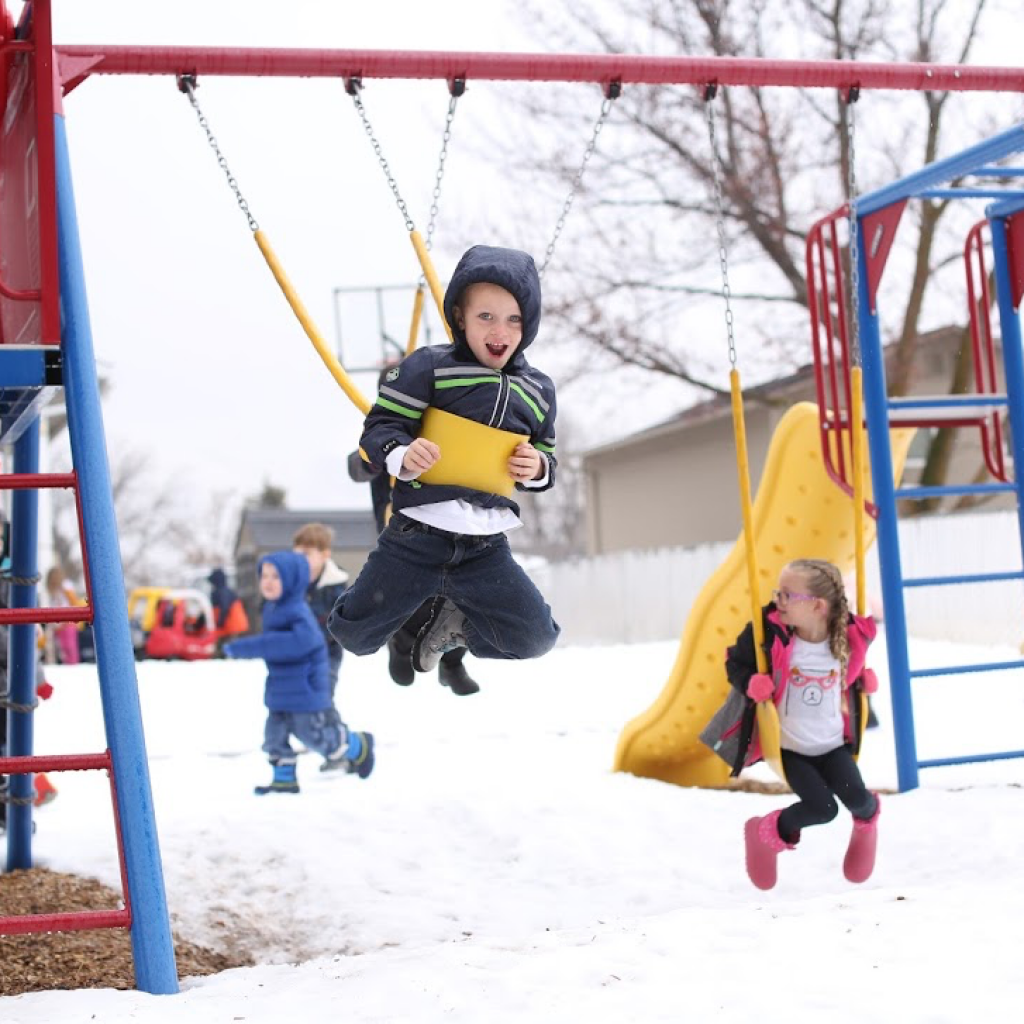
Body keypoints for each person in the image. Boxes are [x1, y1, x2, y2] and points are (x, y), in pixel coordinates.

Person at [328, 245, 561, 674]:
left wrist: (538, 467)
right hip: (416, 536)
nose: (500, 330)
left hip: (484, 546)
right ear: (460, 317)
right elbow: (381, 426)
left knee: (536, 637)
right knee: (353, 635)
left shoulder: (538, 390)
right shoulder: (430, 367)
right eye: (485, 316)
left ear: (528, 323)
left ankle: (455, 625)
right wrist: (402, 453)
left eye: (514, 319)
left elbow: (546, 453)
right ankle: (397, 616)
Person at [706, 558, 881, 891]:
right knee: (823, 809)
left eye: (787, 595)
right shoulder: (768, 634)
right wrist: (750, 683)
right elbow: (734, 663)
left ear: (818, 606)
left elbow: (850, 674)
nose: (778, 601)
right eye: (778, 593)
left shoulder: (847, 638)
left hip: (833, 746)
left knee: (860, 800)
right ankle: (764, 833)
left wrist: (863, 682)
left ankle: (866, 829)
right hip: (791, 750)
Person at [223, 551, 374, 794]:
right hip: (282, 688)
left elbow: (299, 642)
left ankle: (357, 744)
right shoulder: (272, 609)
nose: (268, 582)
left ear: (292, 580)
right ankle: (284, 779)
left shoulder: (297, 610)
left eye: (276, 576)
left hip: (306, 688)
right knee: (274, 735)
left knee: (314, 737)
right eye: (264, 576)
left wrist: (249, 647)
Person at [346, 447, 483, 697]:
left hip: (454, 527)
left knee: (461, 597)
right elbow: (357, 466)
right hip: (404, 533)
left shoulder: (456, 433)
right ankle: (403, 641)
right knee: (417, 594)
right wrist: (380, 456)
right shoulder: (392, 435)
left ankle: (451, 662)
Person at [291, 523, 349, 697]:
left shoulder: (335, 584)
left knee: (323, 690)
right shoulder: (290, 582)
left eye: (306, 554)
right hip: (297, 651)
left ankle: (325, 713)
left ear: (324, 555)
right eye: (296, 554)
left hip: (327, 650)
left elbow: (340, 619)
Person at [207, 567, 249, 643]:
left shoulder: (223, 592)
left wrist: (220, 622)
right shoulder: (223, 591)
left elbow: (224, 607)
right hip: (231, 627)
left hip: (233, 627)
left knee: (230, 646)